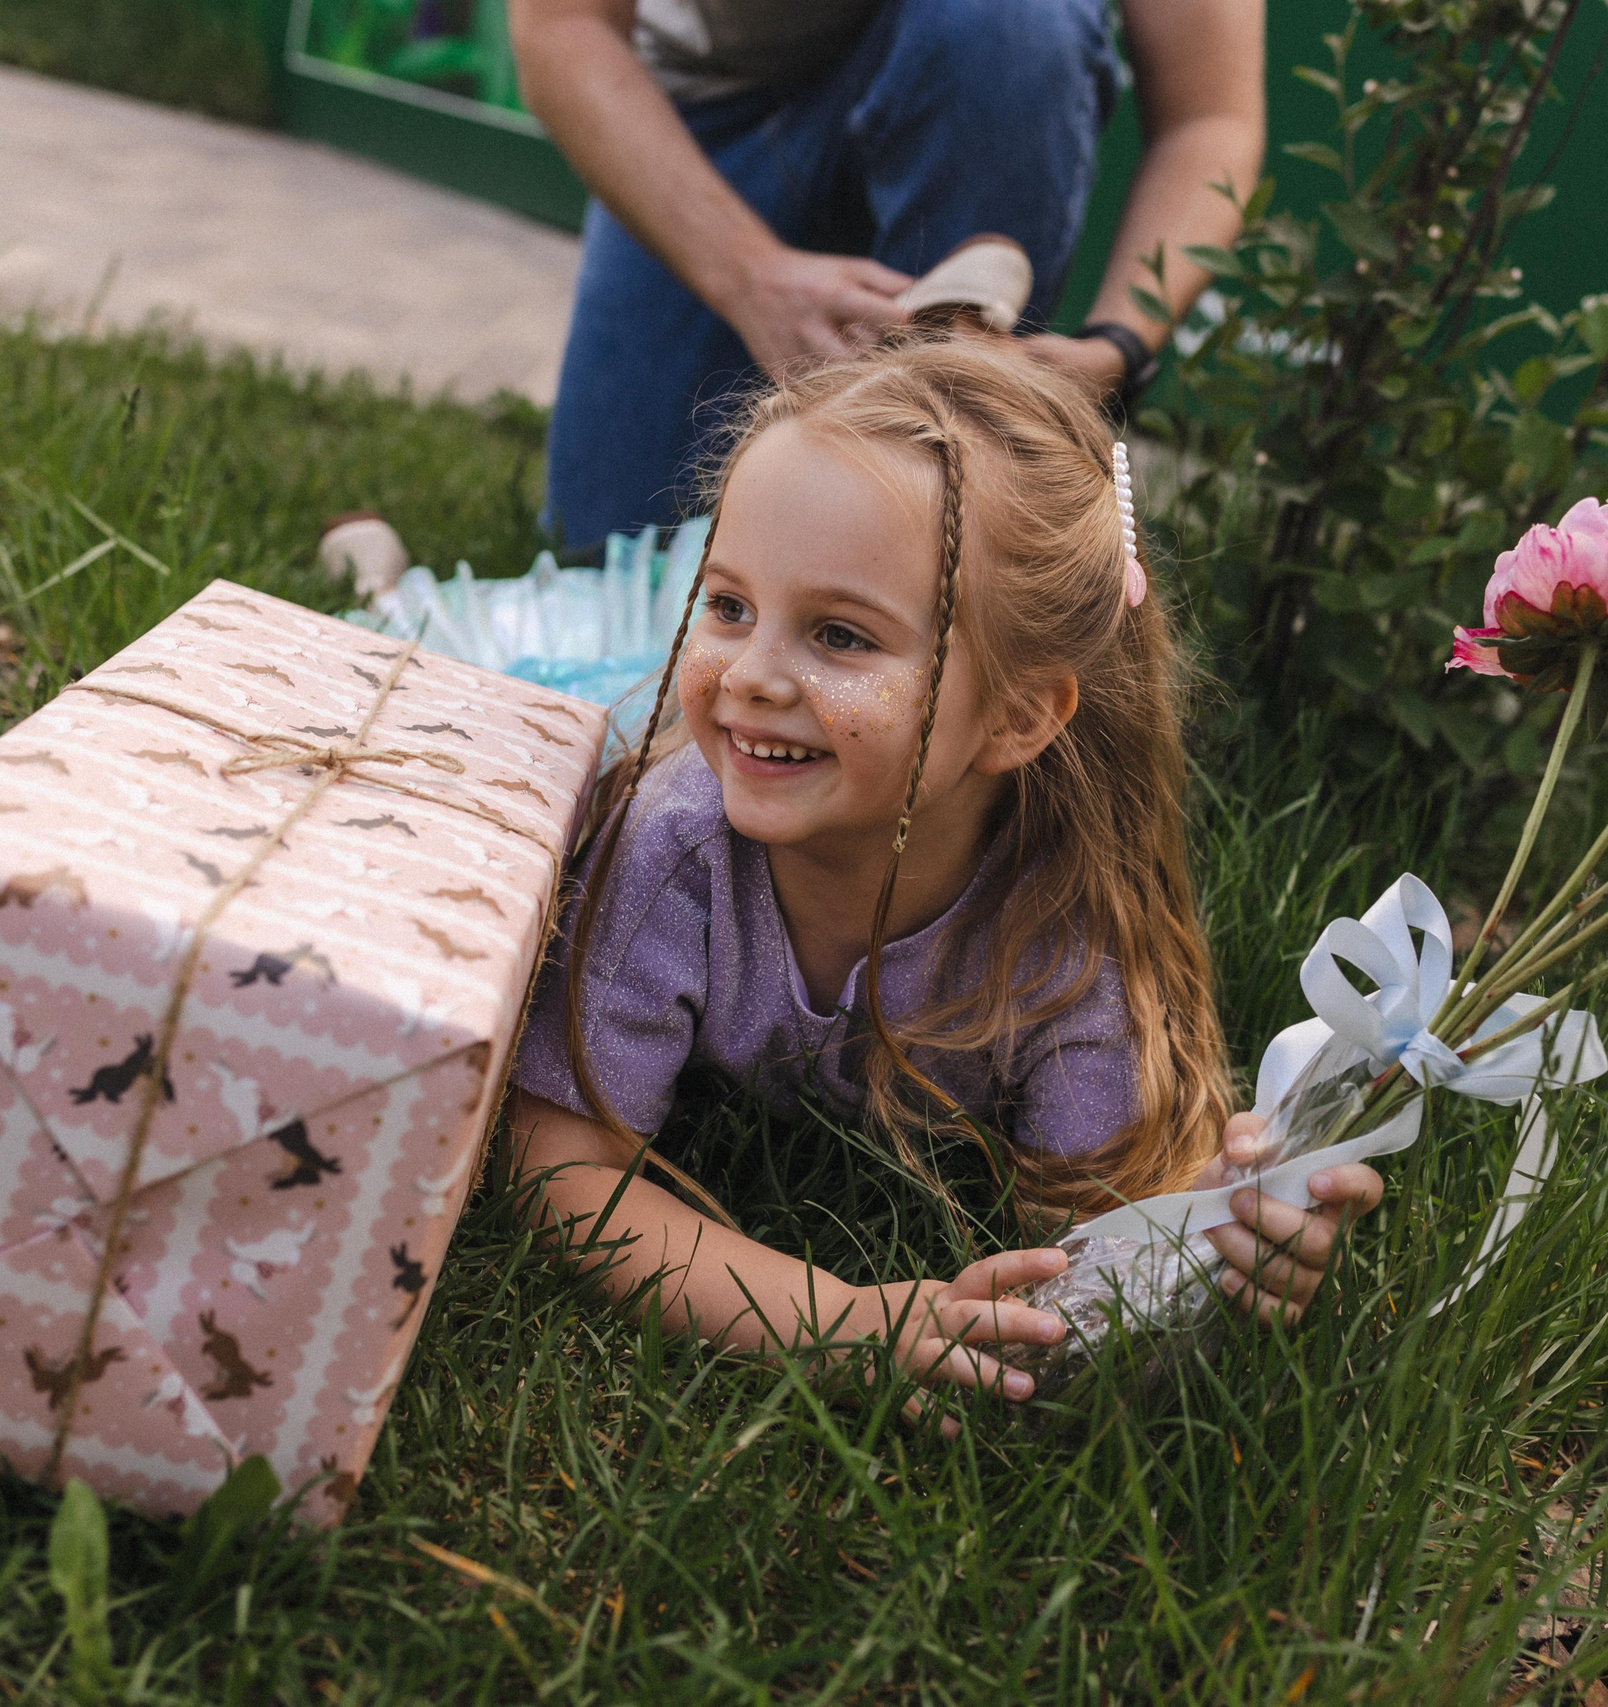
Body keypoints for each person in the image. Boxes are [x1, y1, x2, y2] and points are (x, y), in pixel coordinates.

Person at [507, 336, 1381, 1416]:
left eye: (839, 635)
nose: (751, 675)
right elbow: (563, 1171)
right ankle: (371, 557)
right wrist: (833, 1318)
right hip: (590, 709)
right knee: (528, 663)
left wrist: (1218, 1235)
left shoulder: (1057, 927)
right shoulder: (674, 846)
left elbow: (1101, 1239)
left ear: (1015, 718)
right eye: (729, 605)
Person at [508, 0, 1264, 550]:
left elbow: (1210, 118)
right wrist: (747, 274)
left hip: (979, 69)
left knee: (1012, 25)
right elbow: (561, 25)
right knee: (611, 561)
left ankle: (942, 511)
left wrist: (1118, 345)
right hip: (710, 117)